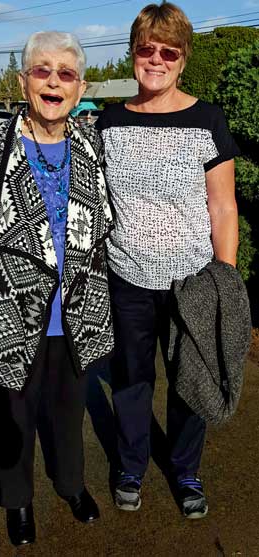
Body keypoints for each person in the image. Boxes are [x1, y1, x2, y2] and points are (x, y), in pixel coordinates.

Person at [0, 31, 114, 547]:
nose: (54, 81)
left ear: (80, 88)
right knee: (11, 419)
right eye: (42, 70)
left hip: (77, 315)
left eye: (66, 73)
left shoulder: (90, 143)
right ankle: (17, 502)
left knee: (67, 414)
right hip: (3, 315)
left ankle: (71, 486)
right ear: (23, 82)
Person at [96, 2, 240, 518]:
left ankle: (185, 470)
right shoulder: (109, 122)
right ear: (133, 54)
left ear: (182, 60)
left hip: (195, 279)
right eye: (146, 49)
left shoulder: (208, 119)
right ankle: (132, 464)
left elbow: (223, 205)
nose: (155, 59)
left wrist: (225, 279)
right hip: (127, 275)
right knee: (133, 380)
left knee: (190, 379)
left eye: (168, 52)